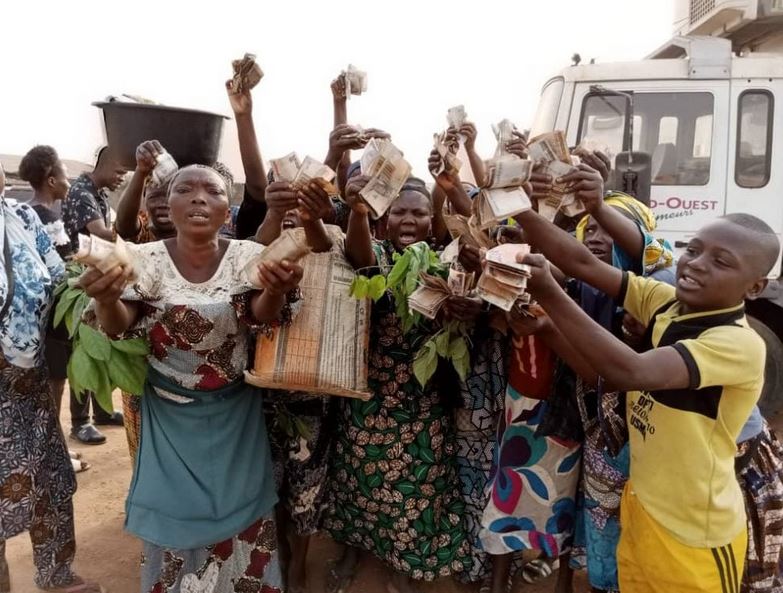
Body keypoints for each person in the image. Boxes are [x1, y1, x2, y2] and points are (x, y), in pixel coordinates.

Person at [514, 164, 779, 592]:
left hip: (695, 530)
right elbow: (581, 261)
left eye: (721, 261)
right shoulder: (668, 302)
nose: (695, 264)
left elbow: (630, 371)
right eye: (693, 249)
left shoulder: (739, 343)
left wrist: (549, 293)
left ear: (753, 287)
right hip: (644, 505)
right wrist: (523, 211)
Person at [80, 164, 303, 593]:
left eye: (213, 191)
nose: (199, 198)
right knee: (172, 510)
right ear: (168, 203)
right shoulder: (142, 260)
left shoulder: (246, 256)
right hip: (168, 413)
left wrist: (274, 289)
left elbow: (260, 317)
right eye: (186, 189)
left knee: (241, 510)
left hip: (236, 412)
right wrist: (107, 297)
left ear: (228, 207)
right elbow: (119, 325)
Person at [322, 176, 470, 593]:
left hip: (422, 398)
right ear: (385, 220)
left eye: (419, 212)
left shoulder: (446, 262)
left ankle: (404, 564)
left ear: (431, 220)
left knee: (419, 486)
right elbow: (360, 260)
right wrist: (357, 210)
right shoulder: (381, 257)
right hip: (369, 391)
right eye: (400, 211)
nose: (409, 219)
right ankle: (355, 547)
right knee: (357, 479)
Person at [0, 162, 102, 593]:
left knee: (50, 481)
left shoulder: (21, 217)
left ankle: (56, 575)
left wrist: (96, 289)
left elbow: (60, 281)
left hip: (31, 383)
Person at [257, 178, 339, 593]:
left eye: (301, 209)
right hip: (263, 395)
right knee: (267, 484)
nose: (293, 215)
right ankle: (280, 557)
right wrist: (276, 217)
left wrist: (311, 221)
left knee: (307, 484)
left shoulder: (328, 248)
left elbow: (324, 247)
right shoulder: (259, 253)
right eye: (285, 207)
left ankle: (299, 564)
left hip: (313, 392)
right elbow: (253, 254)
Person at [18, 145, 91, 473]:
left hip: (40, 317)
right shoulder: (42, 216)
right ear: (50, 179)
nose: (68, 179)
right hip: (51, 318)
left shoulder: (33, 211)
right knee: (53, 387)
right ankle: (51, 457)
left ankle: (54, 449)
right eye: (63, 172)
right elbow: (60, 269)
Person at [61, 146, 127, 444]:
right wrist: (131, 236)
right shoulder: (81, 191)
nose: (121, 178)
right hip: (79, 280)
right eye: (119, 171)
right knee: (85, 349)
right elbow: (100, 232)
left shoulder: (98, 193)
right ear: (107, 163)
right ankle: (80, 422)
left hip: (98, 274)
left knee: (102, 346)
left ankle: (101, 411)